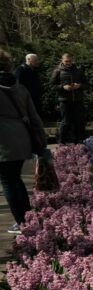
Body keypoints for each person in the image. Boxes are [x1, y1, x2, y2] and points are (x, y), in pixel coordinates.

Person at [0, 49, 52, 234]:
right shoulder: (19, 87)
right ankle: (27, 218)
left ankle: (22, 223)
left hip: (3, 142)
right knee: (16, 178)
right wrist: (41, 140)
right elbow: (34, 116)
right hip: (22, 139)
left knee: (8, 181)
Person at [51, 53, 88, 143]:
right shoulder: (57, 71)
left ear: (73, 60)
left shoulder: (79, 71)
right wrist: (63, 87)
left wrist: (79, 86)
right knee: (65, 122)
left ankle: (78, 141)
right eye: (66, 61)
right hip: (64, 100)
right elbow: (52, 86)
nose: (68, 63)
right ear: (62, 60)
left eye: (70, 61)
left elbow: (87, 84)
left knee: (78, 121)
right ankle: (62, 141)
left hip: (78, 100)